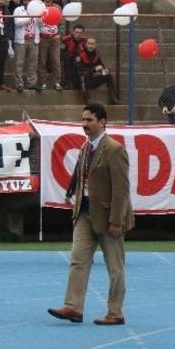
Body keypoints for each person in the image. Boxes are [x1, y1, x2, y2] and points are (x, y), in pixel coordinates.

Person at [49, 103, 133, 325]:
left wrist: (116, 220)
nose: (84, 124)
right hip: (84, 213)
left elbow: (121, 189)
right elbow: (80, 176)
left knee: (115, 266)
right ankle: (73, 307)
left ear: (102, 122)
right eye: (83, 120)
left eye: (89, 120)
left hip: (108, 218)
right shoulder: (85, 148)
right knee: (78, 260)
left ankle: (115, 312)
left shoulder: (115, 150)